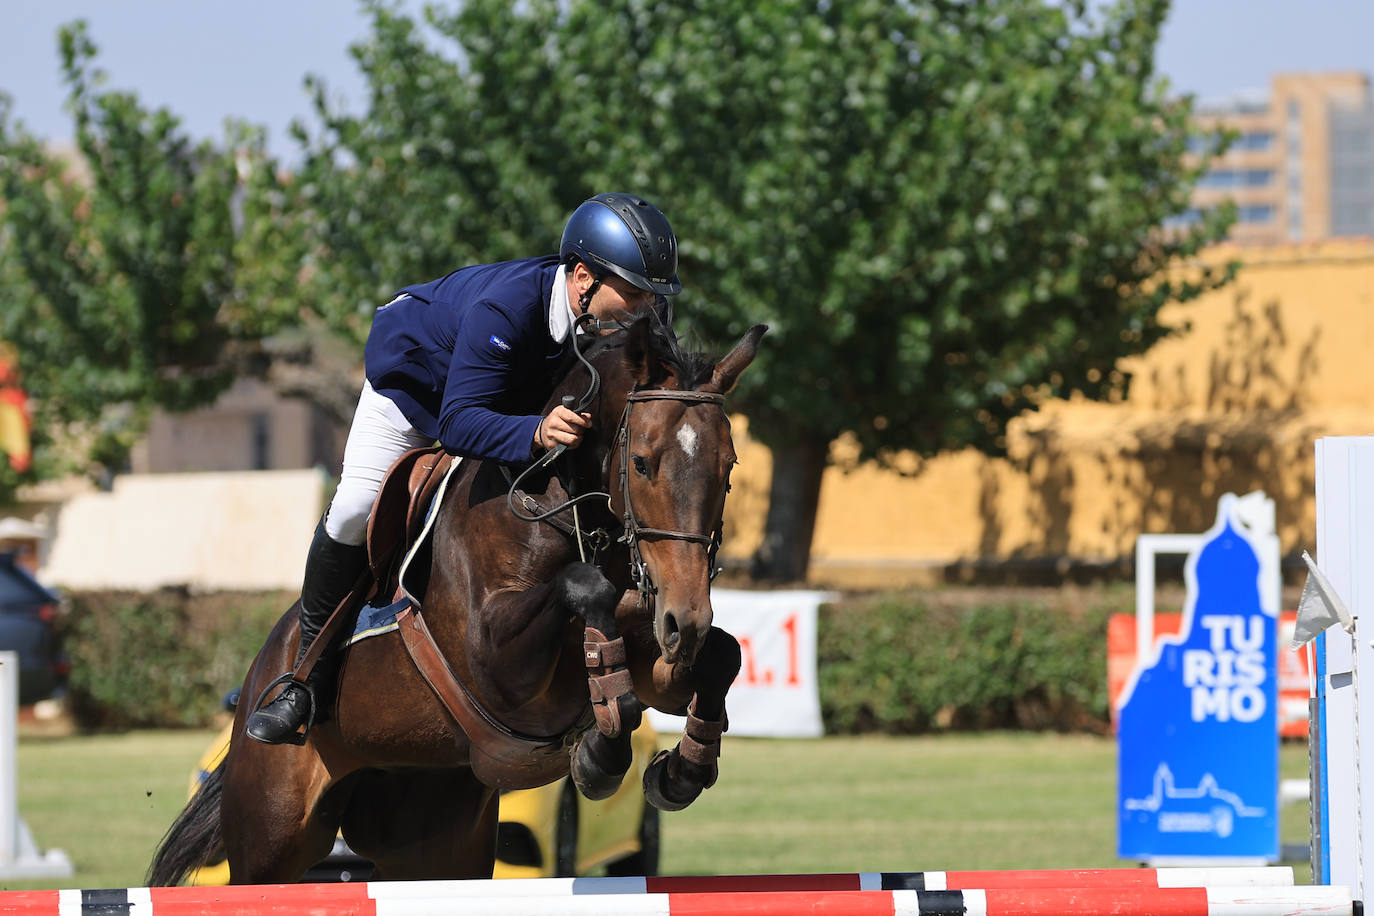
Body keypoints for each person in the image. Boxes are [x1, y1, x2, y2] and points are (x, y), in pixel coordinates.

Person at [245, 192, 682, 745]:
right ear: (581, 279)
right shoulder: (506, 310)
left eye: (655, 296)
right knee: (356, 505)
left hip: (508, 389)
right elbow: (457, 423)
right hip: (420, 386)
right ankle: (302, 679)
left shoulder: (628, 309)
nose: (648, 309)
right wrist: (533, 432)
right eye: (637, 293)